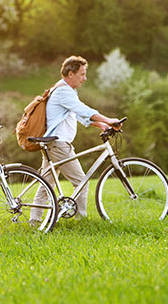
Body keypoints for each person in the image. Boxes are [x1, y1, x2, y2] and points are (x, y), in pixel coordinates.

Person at [31, 55, 120, 221]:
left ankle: (35, 220)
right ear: (70, 74)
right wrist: (107, 119)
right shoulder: (63, 91)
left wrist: (99, 125)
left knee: (46, 184)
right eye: (82, 74)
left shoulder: (66, 90)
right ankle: (80, 220)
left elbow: (77, 114)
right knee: (81, 181)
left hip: (54, 143)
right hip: (59, 145)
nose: (85, 78)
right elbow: (82, 109)